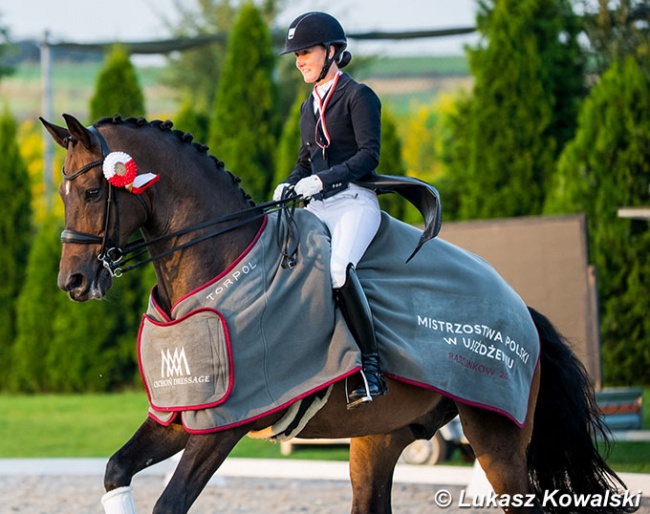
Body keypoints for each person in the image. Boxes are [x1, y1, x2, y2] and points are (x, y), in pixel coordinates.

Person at [273, 12, 388, 409]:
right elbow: (305, 161)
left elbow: (367, 156)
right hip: (318, 205)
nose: (299, 60)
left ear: (332, 51)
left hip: (354, 201)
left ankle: (370, 370)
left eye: (305, 52)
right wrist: (290, 182)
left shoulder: (358, 96)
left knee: (338, 271)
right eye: (296, 55)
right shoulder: (309, 106)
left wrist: (323, 181)